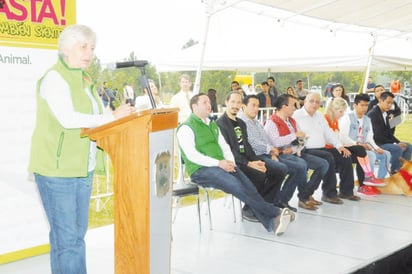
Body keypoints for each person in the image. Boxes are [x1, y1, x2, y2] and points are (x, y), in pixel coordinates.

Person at [28, 24, 135, 274]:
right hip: (57, 172)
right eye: (83, 46)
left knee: (72, 239)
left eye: (92, 48)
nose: (89, 53)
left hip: (82, 168)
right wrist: (111, 118)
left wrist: (116, 116)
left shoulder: (85, 79)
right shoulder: (55, 78)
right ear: (66, 48)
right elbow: (69, 119)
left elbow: (97, 115)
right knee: (69, 242)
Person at [177, 92, 295, 236]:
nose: (209, 105)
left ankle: (272, 222)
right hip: (201, 170)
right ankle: (276, 212)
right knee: (237, 186)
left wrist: (230, 163)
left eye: (209, 102)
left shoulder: (212, 124)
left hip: (222, 165)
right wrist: (219, 163)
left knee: (248, 186)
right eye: (204, 102)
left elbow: (224, 146)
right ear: (194, 106)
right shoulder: (186, 127)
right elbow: (192, 155)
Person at [216, 92, 290, 215]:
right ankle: (249, 209)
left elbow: (247, 146)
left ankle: (264, 204)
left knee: (278, 171)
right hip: (234, 162)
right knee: (259, 175)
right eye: (233, 102)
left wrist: (257, 161)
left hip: (247, 160)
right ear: (226, 102)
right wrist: (249, 164)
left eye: (238, 102)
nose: (235, 105)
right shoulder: (220, 124)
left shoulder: (241, 123)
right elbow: (229, 152)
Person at [261, 94, 329, 210]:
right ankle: (285, 200)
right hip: (278, 155)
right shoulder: (271, 122)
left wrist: (293, 148)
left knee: (323, 164)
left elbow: (302, 140)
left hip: (294, 153)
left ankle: (305, 194)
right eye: (293, 105)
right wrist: (294, 136)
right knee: (300, 166)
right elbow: (276, 142)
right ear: (283, 106)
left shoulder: (292, 121)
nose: (295, 108)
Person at [293, 93, 357, 204]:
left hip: (321, 149)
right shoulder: (296, 115)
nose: (314, 104)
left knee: (345, 155)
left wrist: (339, 146)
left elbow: (329, 133)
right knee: (328, 157)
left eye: (317, 102)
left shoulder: (319, 115)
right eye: (311, 101)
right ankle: (329, 193)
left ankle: (346, 191)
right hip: (305, 150)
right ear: (305, 101)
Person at [324, 97, 384, 196]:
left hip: (338, 147)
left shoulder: (335, 121)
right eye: (340, 111)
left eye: (343, 111)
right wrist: (342, 146)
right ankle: (350, 190)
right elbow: (332, 139)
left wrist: (358, 144)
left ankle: (367, 177)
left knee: (360, 150)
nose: (342, 114)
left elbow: (339, 138)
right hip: (329, 149)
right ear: (333, 109)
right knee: (349, 158)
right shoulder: (326, 119)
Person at [340, 94, 390, 196]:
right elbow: (343, 137)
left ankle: (375, 181)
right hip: (349, 147)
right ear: (355, 105)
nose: (364, 108)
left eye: (366, 105)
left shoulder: (367, 120)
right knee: (368, 154)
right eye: (361, 105)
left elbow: (369, 138)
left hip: (363, 147)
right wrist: (358, 144)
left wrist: (376, 148)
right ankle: (364, 183)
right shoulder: (347, 118)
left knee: (386, 154)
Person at [367, 91, 412, 174]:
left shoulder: (386, 113)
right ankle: (394, 173)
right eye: (388, 102)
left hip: (384, 141)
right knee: (397, 148)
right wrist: (395, 144)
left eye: (391, 103)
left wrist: (398, 142)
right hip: (375, 144)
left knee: (408, 146)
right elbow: (377, 136)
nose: (390, 105)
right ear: (380, 101)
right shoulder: (373, 114)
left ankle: (403, 172)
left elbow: (389, 133)